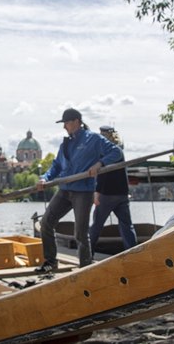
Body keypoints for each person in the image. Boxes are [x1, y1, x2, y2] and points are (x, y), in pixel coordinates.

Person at [35, 108, 122, 272]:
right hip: (64, 189)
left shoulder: (94, 139)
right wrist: (45, 178)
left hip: (83, 191)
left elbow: (116, 152)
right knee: (46, 223)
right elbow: (56, 166)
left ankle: (85, 267)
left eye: (66, 123)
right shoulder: (66, 143)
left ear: (76, 122)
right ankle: (51, 262)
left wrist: (100, 164)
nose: (64, 127)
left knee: (80, 233)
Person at [89, 126, 137, 254]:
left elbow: (103, 174)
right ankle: (132, 253)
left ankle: (88, 253)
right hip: (121, 193)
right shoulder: (119, 150)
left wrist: (97, 192)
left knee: (97, 225)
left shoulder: (105, 150)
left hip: (107, 193)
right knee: (127, 226)